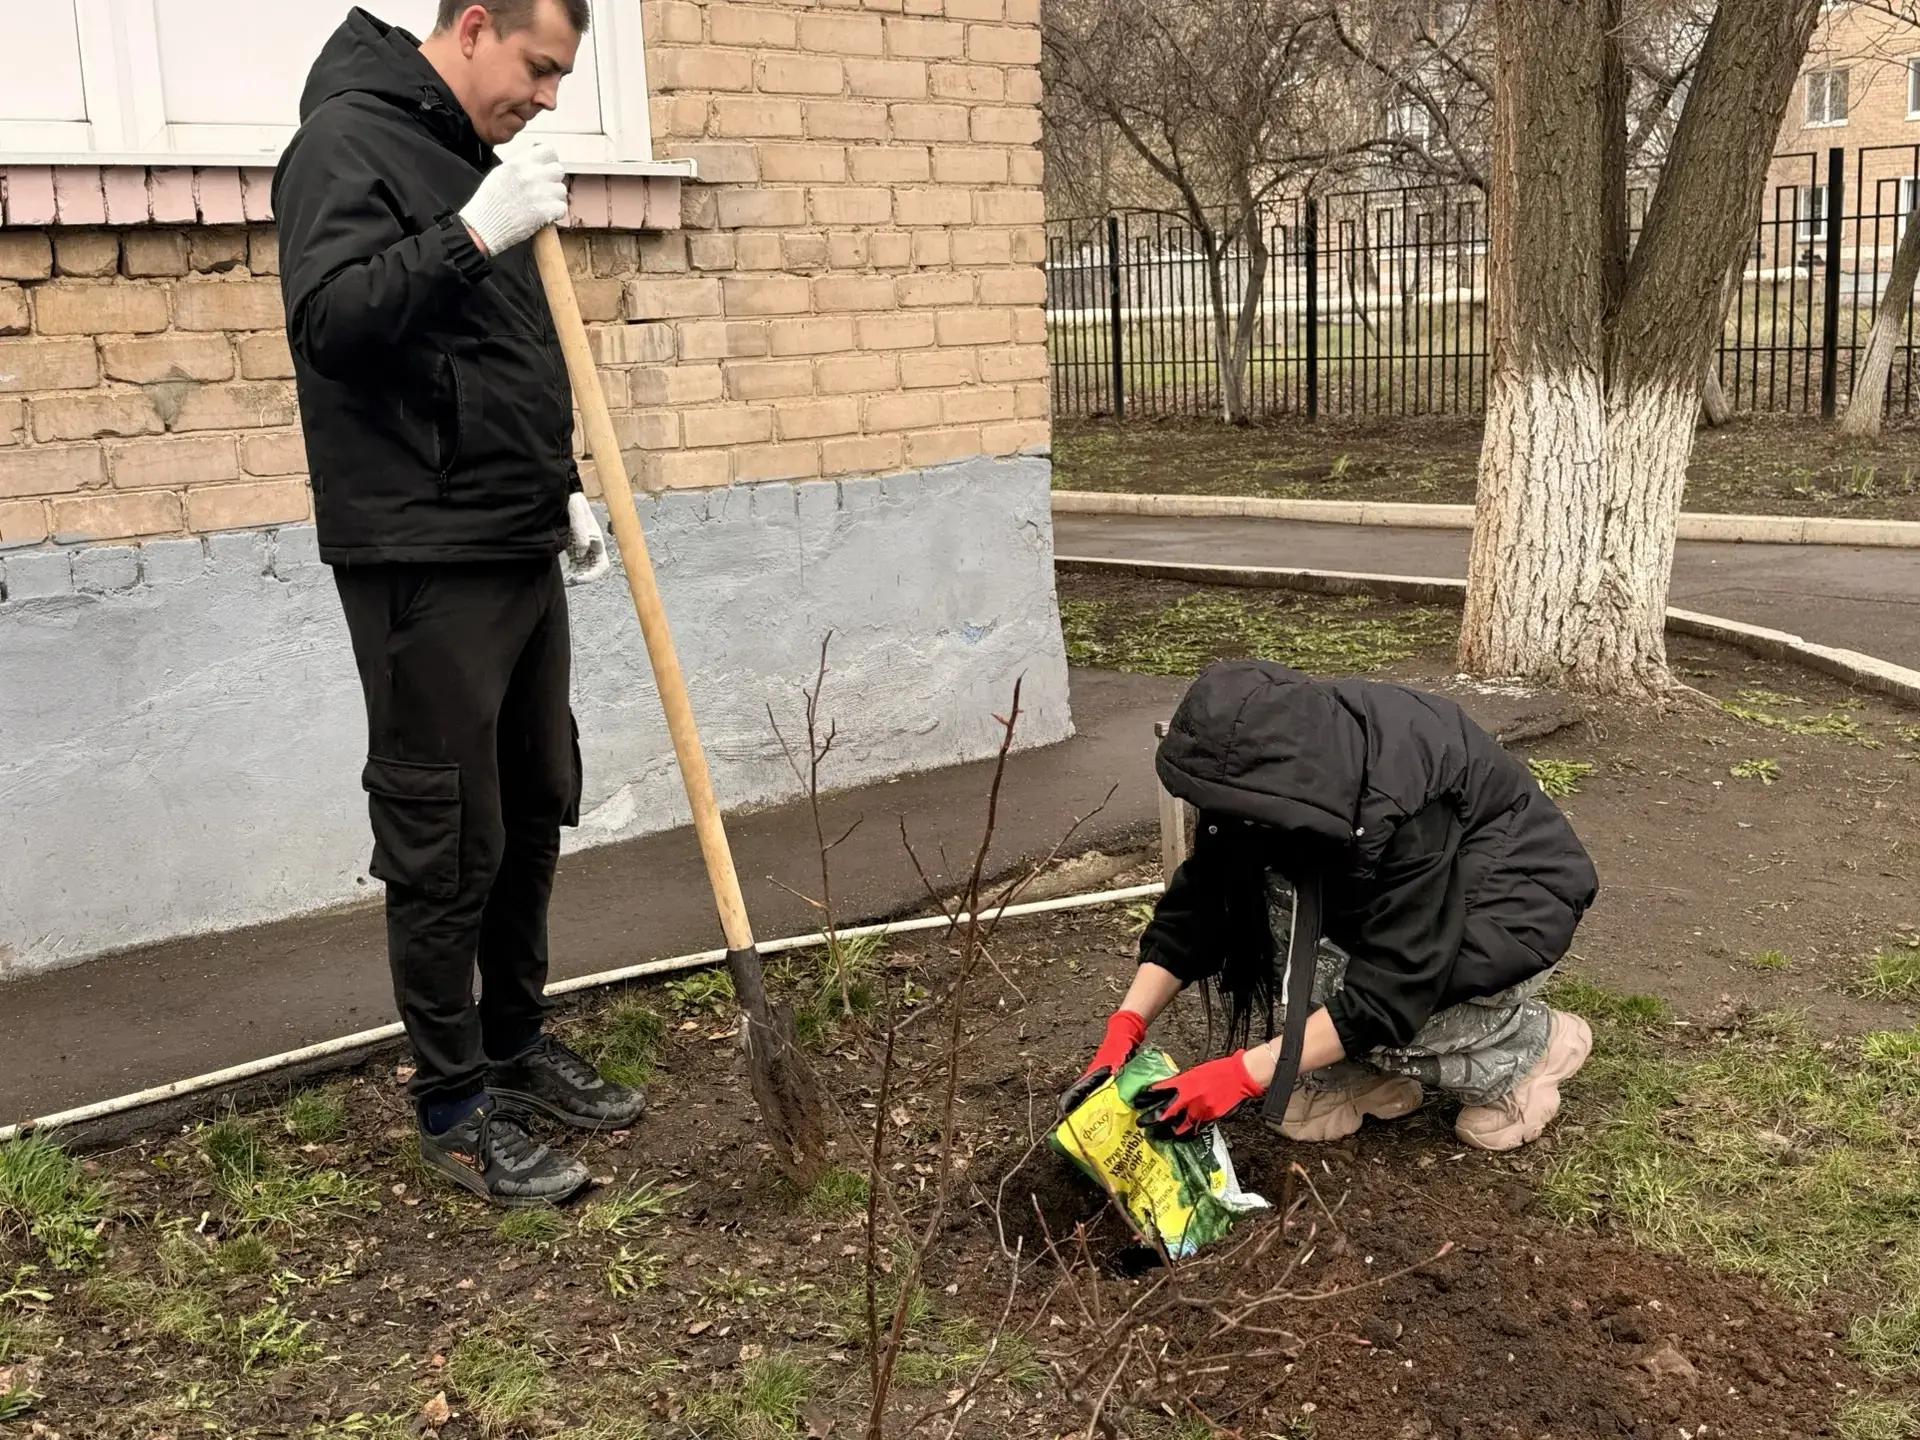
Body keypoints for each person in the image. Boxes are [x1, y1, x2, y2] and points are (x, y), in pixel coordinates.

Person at [273, 0, 643, 1209]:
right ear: (474, 26)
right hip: (420, 551)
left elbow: (497, 358)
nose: (547, 97)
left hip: (513, 533)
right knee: (446, 836)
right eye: (539, 67)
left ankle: (514, 1043)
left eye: (562, 79)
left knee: (533, 802)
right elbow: (332, 324)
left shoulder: (473, 156)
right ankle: (452, 1106)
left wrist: (560, 486)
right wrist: (475, 233)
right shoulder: (345, 140)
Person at [1069, 660, 1600, 1153]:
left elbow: (1397, 985)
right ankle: (1358, 1073)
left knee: (1394, 1019)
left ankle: (1529, 1047)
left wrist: (1241, 1075)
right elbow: (1203, 904)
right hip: (1405, 900)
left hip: (1505, 904)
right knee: (1274, 923)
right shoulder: (1268, 774)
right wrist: (1127, 1026)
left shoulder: (1404, 801)